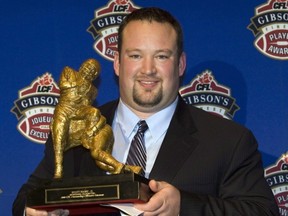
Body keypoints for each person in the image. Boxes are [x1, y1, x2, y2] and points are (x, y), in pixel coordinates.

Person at [13, 7, 279, 216]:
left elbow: (262, 211)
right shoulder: (77, 126)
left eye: (162, 56)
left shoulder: (228, 141)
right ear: (117, 63)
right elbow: (27, 197)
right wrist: (32, 210)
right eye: (135, 56)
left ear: (181, 64)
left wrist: (182, 208)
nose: (148, 70)